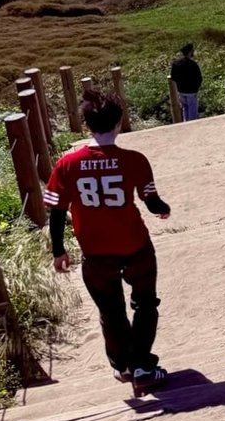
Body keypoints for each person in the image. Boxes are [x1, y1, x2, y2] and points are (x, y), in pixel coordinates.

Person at [47, 86, 172, 396]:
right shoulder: (134, 160)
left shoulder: (67, 165)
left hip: (96, 251)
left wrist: (58, 249)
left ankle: (123, 365)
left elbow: (58, 212)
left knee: (110, 311)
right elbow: (152, 202)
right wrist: (164, 210)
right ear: (119, 123)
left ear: (87, 125)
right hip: (135, 245)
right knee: (145, 303)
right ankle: (144, 365)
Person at [169, 43, 202, 122]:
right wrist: (196, 88)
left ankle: (186, 127)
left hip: (181, 91)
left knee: (185, 111)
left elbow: (173, 77)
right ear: (190, 52)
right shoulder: (193, 64)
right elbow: (199, 78)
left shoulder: (176, 63)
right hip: (191, 92)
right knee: (192, 114)